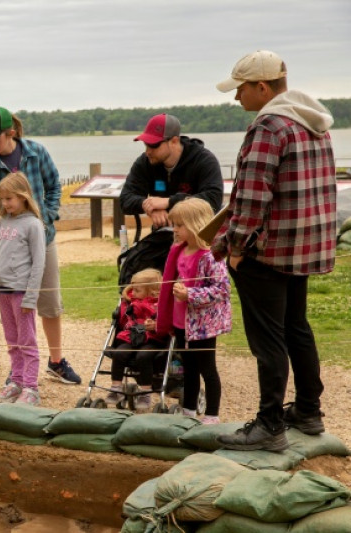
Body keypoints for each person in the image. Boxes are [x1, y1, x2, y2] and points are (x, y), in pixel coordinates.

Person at [211, 50, 336, 450]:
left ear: (261, 87)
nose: (236, 99)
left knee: (268, 339)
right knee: (297, 327)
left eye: (240, 90)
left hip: (267, 251)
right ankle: (308, 411)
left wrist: (235, 248)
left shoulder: (268, 126)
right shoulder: (314, 123)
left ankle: (269, 425)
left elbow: (251, 197)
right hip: (302, 248)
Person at [0, 106, 81, 385]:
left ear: (11, 133)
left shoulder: (37, 152)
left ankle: (56, 362)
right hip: (7, 247)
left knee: (50, 303)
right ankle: (18, 368)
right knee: (13, 309)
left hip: (45, 239)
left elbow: (54, 186)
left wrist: (49, 215)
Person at [157, 198, 232, 425]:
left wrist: (190, 295)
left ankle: (212, 414)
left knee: (207, 369)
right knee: (188, 369)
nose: (175, 230)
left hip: (204, 325)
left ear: (196, 225)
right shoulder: (179, 251)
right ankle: (188, 410)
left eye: (180, 225)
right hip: (182, 322)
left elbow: (222, 289)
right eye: (175, 225)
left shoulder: (210, 255)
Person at [0, 172, 46, 405]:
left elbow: (39, 262)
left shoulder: (33, 225)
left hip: (21, 292)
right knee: (12, 341)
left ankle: (31, 388)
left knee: (27, 341)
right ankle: (16, 381)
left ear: (23, 197)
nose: (5, 204)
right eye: (2, 199)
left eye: (9, 198)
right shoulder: (1, 224)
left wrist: (31, 298)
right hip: (2, 291)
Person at [120, 114, 224, 228]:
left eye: (154, 145)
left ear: (174, 141)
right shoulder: (145, 162)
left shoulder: (204, 160)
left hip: (198, 233)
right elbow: (125, 199)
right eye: (146, 145)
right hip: (163, 232)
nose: (148, 151)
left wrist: (169, 202)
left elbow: (213, 199)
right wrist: (150, 207)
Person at [103, 268, 167, 412]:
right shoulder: (130, 301)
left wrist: (156, 325)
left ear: (151, 291)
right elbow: (122, 321)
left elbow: (167, 323)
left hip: (152, 339)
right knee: (119, 353)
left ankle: (145, 392)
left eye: (137, 290)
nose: (133, 292)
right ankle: (116, 388)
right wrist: (126, 306)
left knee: (143, 356)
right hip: (131, 336)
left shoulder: (160, 305)